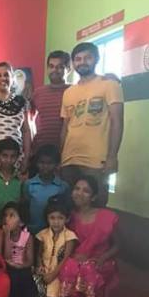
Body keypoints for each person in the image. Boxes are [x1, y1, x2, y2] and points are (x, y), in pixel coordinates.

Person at [60, 42, 124, 207]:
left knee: (96, 206)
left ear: (96, 59)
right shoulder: (68, 93)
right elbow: (65, 127)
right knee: (68, 208)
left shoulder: (109, 85)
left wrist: (112, 157)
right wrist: (61, 156)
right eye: (78, 59)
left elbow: (117, 121)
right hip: (69, 159)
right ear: (73, 63)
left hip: (97, 161)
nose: (82, 62)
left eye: (87, 57)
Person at [59, 176, 119, 297]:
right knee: (68, 267)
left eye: (86, 191)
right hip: (77, 259)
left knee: (89, 270)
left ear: (94, 197)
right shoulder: (68, 217)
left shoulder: (107, 216)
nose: (79, 193)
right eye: (77, 189)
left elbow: (118, 245)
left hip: (101, 260)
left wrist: (102, 258)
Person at [34, 199, 76, 297]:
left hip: (60, 272)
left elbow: (66, 258)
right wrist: (40, 266)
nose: (56, 222)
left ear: (67, 219)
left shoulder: (70, 236)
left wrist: (53, 274)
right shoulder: (42, 234)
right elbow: (39, 254)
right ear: (47, 219)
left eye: (60, 218)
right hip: (45, 270)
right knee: (34, 282)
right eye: (52, 218)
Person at [22, 144, 69, 234]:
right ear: (36, 163)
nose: (45, 166)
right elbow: (26, 207)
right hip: (33, 230)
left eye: (50, 163)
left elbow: (65, 210)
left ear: (56, 164)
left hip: (55, 232)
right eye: (42, 162)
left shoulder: (62, 186)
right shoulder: (29, 184)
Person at [30, 51, 71, 154]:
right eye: (51, 66)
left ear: (69, 69)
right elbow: (28, 120)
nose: (54, 70)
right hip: (40, 150)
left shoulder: (74, 92)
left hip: (67, 151)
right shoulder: (38, 93)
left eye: (60, 67)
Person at [2, 202, 37, 297]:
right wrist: (7, 235)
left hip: (22, 266)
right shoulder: (2, 234)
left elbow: (30, 260)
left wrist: (21, 266)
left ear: (21, 222)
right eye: (5, 215)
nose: (7, 219)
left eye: (11, 215)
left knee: (25, 276)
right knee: (10, 276)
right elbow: (6, 256)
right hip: (7, 265)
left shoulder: (27, 236)